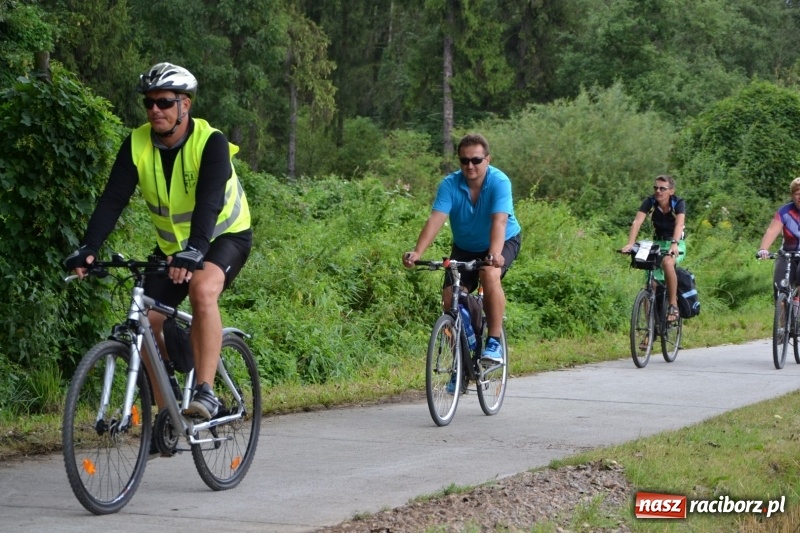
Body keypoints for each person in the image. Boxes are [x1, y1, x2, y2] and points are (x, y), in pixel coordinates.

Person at [65, 62, 252, 424]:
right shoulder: (137, 143)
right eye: (149, 103)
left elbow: (210, 201)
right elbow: (112, 199)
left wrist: (196, 250)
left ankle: (206, 391)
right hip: (175, 247)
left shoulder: (209, 142)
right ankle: (167, 410)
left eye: (164, 102)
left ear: (186, 105)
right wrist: (89, 247)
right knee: (144, 320)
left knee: (201, 290)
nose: (155, 110)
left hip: (223, 236)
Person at [402, 133, 522, 367]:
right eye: (464, 160)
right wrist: (417, 252)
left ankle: (494, 342)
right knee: (450, 296)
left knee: (489, 274)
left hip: (501, 241)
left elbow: (499, 222)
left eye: (476, 160)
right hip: (465, 246)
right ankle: (461, 360)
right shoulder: (450, 184)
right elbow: (436, 219)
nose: (470, 165)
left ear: (487, 159)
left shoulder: (499, 182)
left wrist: (495, 255)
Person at [621, 174, 686, 322]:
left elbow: (679, 224)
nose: (658, 191)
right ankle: (650, 330)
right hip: (657, 243)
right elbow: (637, 222)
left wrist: (674, 243)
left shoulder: (678, 203)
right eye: (656, 188)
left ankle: (673, 305)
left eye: (662, 188)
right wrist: (631, 243)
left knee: (668, 263)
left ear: (671, 191)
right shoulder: (650, 202)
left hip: (676, 243)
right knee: (650, 285)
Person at [757, 177, 800, 301]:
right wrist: (763, 249)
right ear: (792, 195)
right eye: (797, 194)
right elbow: (772, 231)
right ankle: (782, 316)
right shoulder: (784, 212)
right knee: (780, 286)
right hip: (787, 254)